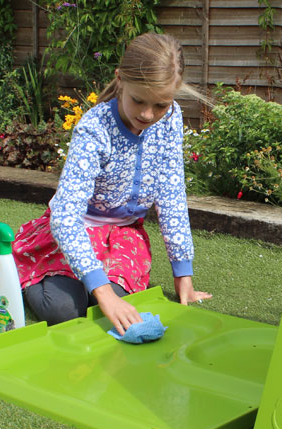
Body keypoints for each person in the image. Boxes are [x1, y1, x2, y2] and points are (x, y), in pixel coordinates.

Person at [12, 32, 212, 337]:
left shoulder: (170, 119)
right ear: (120, 81)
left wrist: (183, 276)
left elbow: (171, 194)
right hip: (73, 230)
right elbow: (66, 217)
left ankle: (97, 286)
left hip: (122, 236)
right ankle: (28, 268)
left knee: (118, 305)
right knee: (65, 310)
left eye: (160, 105)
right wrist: (101, 291)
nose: (147, 114)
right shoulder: (94, 128)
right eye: (138, 100)